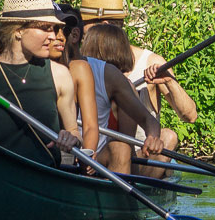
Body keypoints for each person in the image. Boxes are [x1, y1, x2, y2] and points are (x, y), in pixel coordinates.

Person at [0, 0, 86, 167]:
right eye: (45, 28)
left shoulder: (60, 74)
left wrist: (72, 139)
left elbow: (74, 132)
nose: (53, 36)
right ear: (18, 31)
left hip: (44, 178)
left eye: (54, 29)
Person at [78, 0, 198, 165]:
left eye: (83, 23)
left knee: (168, 137)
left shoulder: (150, 61)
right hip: (95, 151)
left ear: (102, 24)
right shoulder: (79, 61)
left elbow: (190, 116)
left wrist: (169, 82)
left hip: (139, 155)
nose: (79, 29)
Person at [73, 21, 171, 176]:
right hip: (77, 155)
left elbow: (127, 143)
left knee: (123, 148)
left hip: (108, 161)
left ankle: (130, 194)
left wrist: (152, 138)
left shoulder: (119, 83)